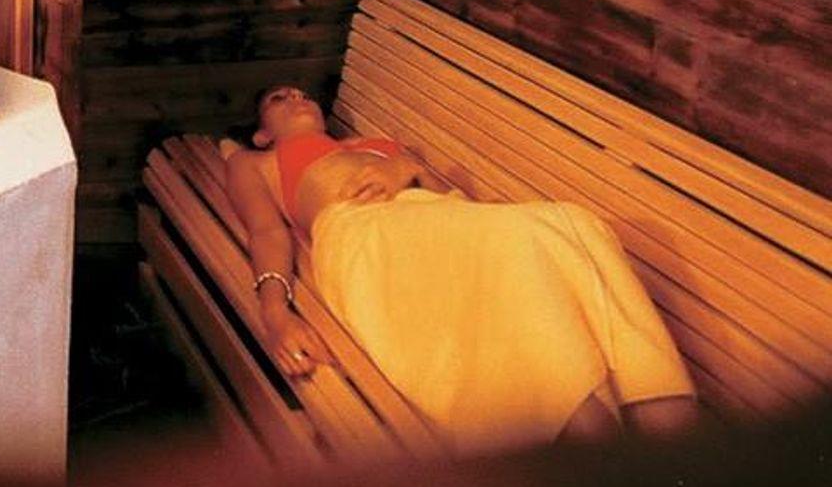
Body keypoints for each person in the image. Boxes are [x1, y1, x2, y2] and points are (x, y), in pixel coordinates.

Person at [225, 85, 697, 453]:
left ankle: (666, 430)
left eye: (303, 93)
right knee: (522, 237)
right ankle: (584, 427)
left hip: (439, 218)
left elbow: (449, 198)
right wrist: (276, 313)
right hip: (364, 234)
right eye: (279, 98)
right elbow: (267, 234)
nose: (298, 98)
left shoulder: (374, 145)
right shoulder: (256, 162)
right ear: (262, 132)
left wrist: (403, 168)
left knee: (576, 222)